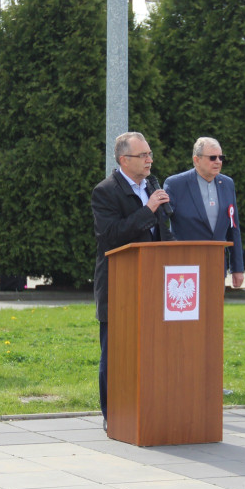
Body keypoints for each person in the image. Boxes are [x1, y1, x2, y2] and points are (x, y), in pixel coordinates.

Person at [91, 132, 174, 423]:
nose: (150, 160)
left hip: (154, 283)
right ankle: (112, 413)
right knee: (115, 353)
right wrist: (148, 209)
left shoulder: (152, 186)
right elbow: (111, 237)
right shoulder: (105, 191)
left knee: (154, 351)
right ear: (124, 160)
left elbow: (162, 234)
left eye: (150, 154)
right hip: (119, 286)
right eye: (143, 155)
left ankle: (149, 408)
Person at [164, 137, 244, 288]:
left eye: (221, 157)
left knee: (213, 311)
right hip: (183, 267)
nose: (218, 161)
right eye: (212, 157)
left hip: (216, 266)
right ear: (197, 159)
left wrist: (237, 268)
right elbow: (160, 224)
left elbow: (234, 228)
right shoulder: (175, 184)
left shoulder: (227, 184)